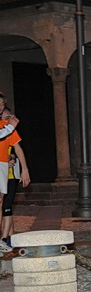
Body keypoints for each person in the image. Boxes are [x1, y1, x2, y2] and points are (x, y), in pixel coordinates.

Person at [0, 103, 28, 252]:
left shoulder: (9, 130)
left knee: (6, 205)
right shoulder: (5, 128)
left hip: (10, 174)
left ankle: (6, 238)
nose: (8, 119)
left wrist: (24, 169)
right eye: (6, 117)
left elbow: (17, 149)